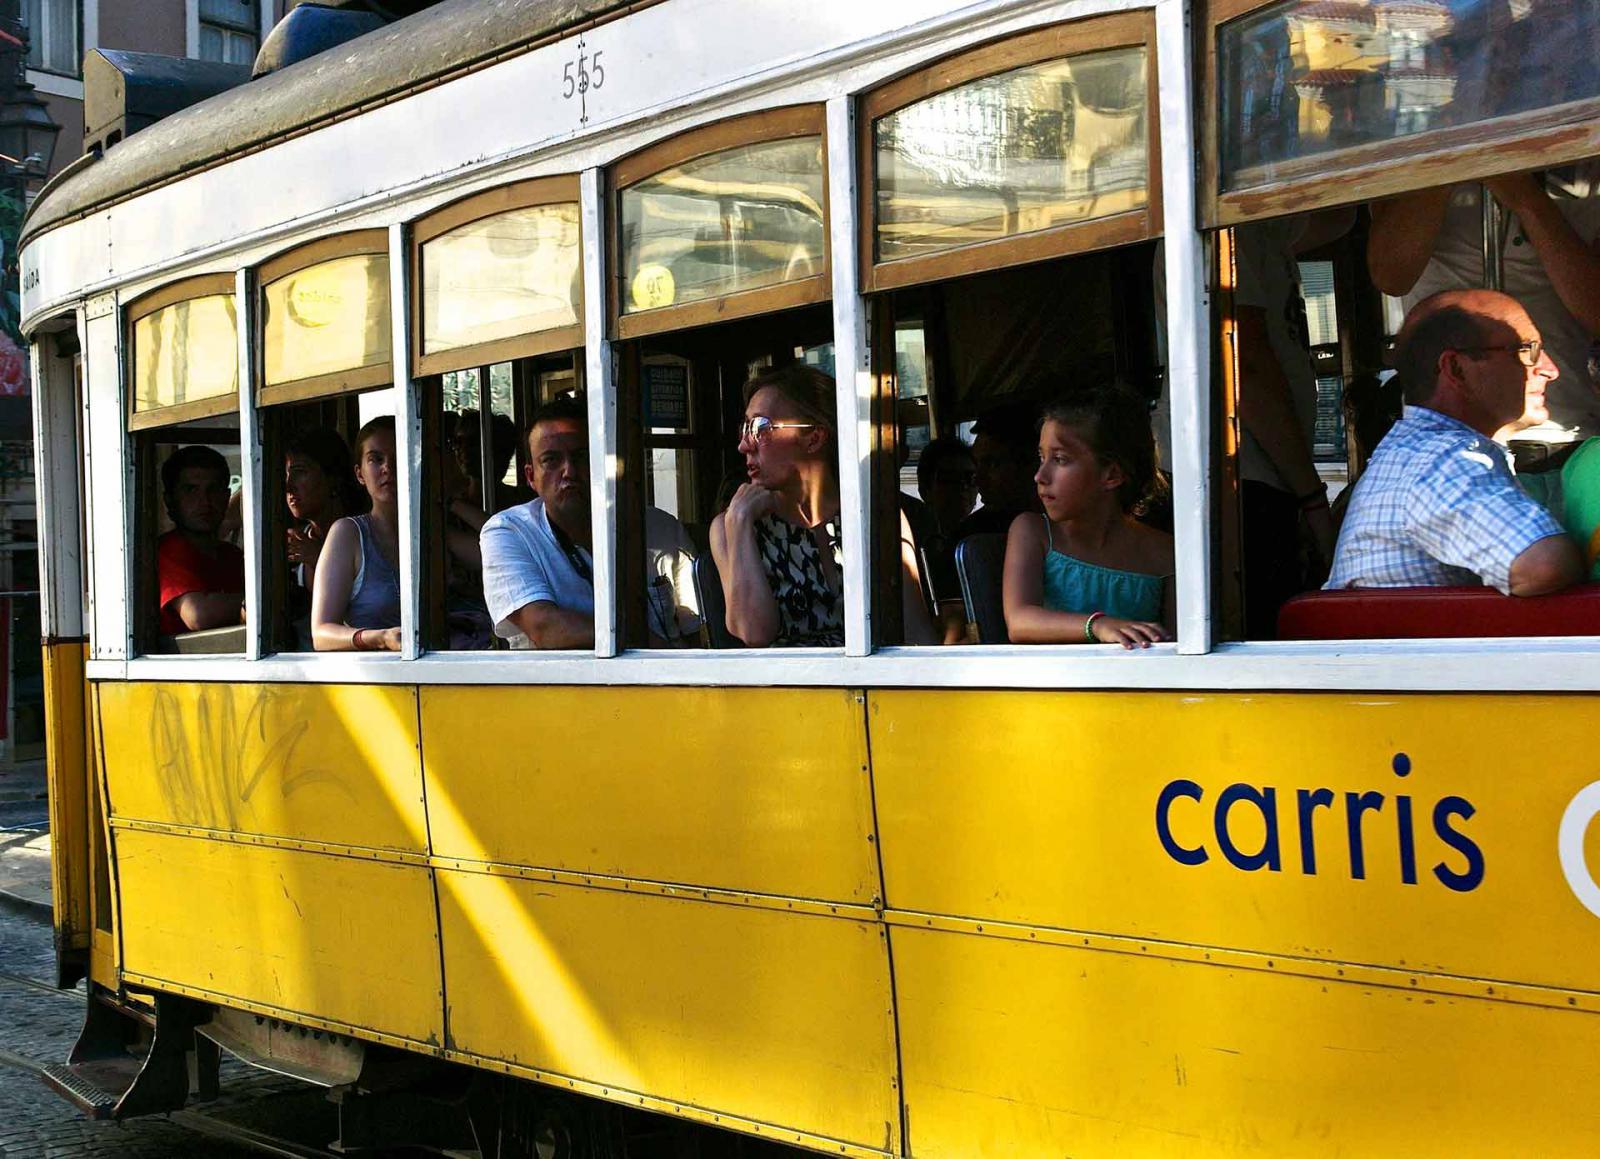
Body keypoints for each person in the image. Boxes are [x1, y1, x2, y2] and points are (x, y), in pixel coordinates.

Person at [1326, 290, 1583, 596]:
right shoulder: (1440, 458)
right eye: (1527, 350)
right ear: (1456, 368)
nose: (1550, 370)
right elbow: (1542, 565)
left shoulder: (1418, 453)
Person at [1367, 164, 1600, 442]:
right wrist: (1454, 158)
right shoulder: (1404, 155)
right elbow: (1390, 276)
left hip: (1566, 427)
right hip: (1452, 433)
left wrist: (1527, 199)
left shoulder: (1586, 152)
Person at [712, 364, 934, 647]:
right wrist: (740, 521)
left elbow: (916, 632)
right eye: (746, 428)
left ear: (814, 438)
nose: (744, 445)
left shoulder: (876, 518)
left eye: (760, 427)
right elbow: (754, 633)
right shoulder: (731, 527)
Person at [479, 395, 701, 649]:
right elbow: (544, 627)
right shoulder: (509, 531)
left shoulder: (663, 528)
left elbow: (695, 631)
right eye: (551, 460)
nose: (569, 471)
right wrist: (646, 645)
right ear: (531, 477)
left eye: (581, 457)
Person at [1002, 386, 1175, 648]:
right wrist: (1099, 625)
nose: (1040, 476)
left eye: (1059, 459)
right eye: (1042, 457)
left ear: (1111, 475)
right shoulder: (1033, 532)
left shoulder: (1165, 554)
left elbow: (1180, 646)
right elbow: (1019, 621)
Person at [311, 416, 402, 651]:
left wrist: (451, 501)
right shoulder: (348, 533)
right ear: (360, 474)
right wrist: (380, 638)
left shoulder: (436, 532)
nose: (388, 468)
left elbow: (494, 554)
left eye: (399, 455)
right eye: (376, 459)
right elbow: (321, 634)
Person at [156, 444, 245, 635]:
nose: (204, 501)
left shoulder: (233, 556)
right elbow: (198, 614)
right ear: (170, 500)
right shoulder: (169, 550)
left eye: (213, 490)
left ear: (226, 496)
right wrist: (261, 602)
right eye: (191, 490)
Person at [910, 436, 977, 644]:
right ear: (925, 488)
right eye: (949, 479)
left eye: (970, 478)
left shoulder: (981, 539)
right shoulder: (916, 543)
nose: (963, 487)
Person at [954, 402, 1044, 540]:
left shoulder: (1069, 527)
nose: (978, 479)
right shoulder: (973, 535)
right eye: (976, 464)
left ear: (1031, 463)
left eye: (992, 464)